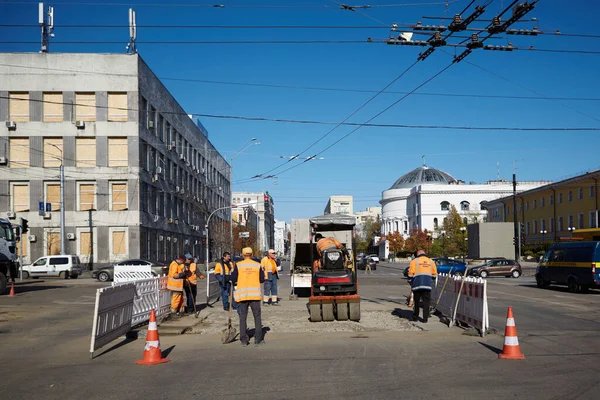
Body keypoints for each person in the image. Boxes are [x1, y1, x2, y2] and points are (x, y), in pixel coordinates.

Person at [231, 247, 266, 347]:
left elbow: (233, 278)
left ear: (242, 254)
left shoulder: (238, 265)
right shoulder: (257, 265)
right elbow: (262, 279)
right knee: (257, 317)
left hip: (243, 295)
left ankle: (244, 340)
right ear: (252, 254)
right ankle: (258, 339)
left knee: (243, 318)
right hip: (254, 295)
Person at [407, 249, 437, 323]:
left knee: (416, 302)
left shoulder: (414, 261)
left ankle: (415, 317)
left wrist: (410, 281)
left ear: (418, 254)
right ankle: (425, 319)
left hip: (417, 284)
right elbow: (434, 274)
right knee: (426, 302)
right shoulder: (431, 261)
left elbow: (410, 274)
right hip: (427, 285)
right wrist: (429, 280)